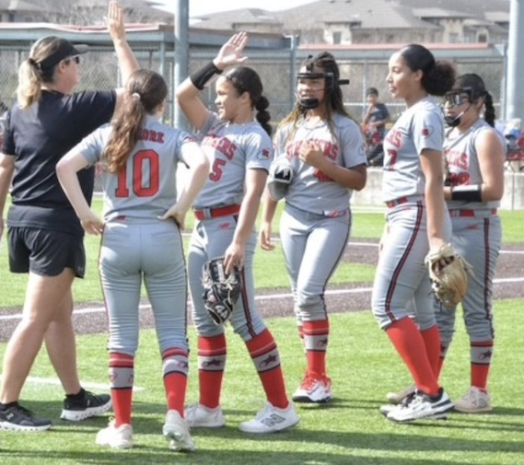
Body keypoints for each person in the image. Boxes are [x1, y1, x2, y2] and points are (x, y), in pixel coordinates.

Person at [0, 1, 139, 431]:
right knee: (36, 317)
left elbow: (4, 166)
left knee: (57, 313)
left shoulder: (19, 110)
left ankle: (75, 397)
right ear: (61, 67)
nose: (79, 68)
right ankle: (4, 406)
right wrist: (119, 40)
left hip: (24, 220)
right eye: (75, 61)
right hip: (54, 225)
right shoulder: (75, 107)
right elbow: (137, 91)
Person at [56, 69, 209, 451]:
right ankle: (176, 415)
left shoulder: (107, 133)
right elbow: (202, 163)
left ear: (128, 97)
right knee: (173, 334)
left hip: (118, 237)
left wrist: (84, 213)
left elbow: (64, 167)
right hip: (161, 235)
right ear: (163, 103)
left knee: (122, 337)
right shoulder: (173, 135)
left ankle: (123, 426)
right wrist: (182, 206)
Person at [176, 32, 299, 434]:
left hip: (228, 228)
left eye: (224, 93)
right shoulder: (215, 125)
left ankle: (281, 407)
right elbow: (183, 95)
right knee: (206, 321)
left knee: (246, 320)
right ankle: (209, 408)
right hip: (202, 227)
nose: (217, 100)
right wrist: (217, 65)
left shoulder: (255, 137)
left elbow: (253, 193)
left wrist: (239, 241)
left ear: (246, 97)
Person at [260, 52, 367, 404]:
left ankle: (318, 376)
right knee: (299, 298)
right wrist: (266, 218)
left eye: (314, 80)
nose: (306, 87)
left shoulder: (345, 128)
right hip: (293, 217)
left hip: (330, 217)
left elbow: (359, 180)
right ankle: (312, 375)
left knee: (308, 293)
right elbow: (277, 178)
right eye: (303, 81)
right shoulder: (288, 128)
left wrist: (322, 163)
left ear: (331, 84)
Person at [373, 44, 456, 423]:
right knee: (423, 312)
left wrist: (436, 236)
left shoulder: (424, 112)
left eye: (397, 70)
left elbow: (434, 177)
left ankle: (431, 394)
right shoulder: (415, 112)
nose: (390, 78)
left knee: (386, 306)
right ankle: (427, 392)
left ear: (418, 74)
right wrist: (389, 225)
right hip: (406, 214)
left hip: (417, 213)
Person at [432, 75, 504, 413]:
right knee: (439, 309)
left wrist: (443, 192)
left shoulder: (484, 135)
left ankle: (479, 391)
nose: (450, 106)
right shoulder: (447, 135)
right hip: (448, 225)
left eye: (458, 99)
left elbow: (493, 189)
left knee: (476, 308)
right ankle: (428, 386)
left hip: (476, 226)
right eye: (447, 99)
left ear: (478, 102)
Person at [362, 87, 390, 166]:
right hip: (370, 135)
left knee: (380, 147)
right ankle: (368, 161)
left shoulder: (382, 107)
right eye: (370, 96)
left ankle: (374, 161)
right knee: (370, 150)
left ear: (377, 97)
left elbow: (388, 119)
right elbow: (364, 122)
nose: (372, 98)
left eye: (373, 96)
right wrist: (369, 111)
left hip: (379, 133)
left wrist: (378, 123)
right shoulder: (367, 108)